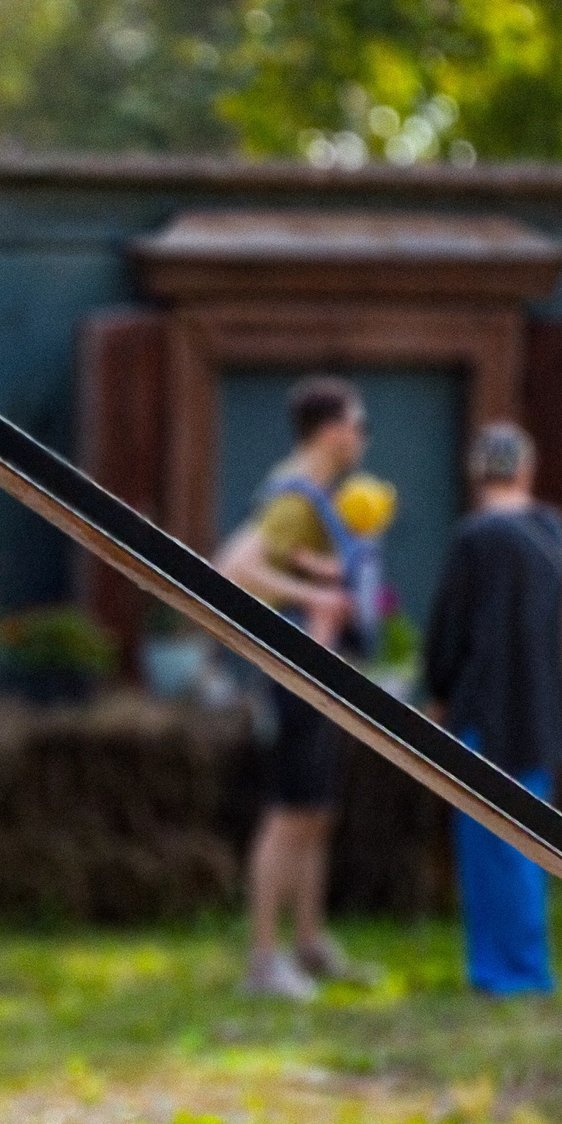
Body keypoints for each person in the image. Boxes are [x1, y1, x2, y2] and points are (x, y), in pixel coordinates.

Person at [214, 375, 378, 999]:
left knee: (315, 812)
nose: (363, 438)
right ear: (332, 431)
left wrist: (318, 576)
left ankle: (308, 945)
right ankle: (263, 961)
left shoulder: (317, 498)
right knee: (289, 814)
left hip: (318, 673)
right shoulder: (295, 495)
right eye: (359, 425)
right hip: (294, 674)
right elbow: (233, 568)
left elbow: (277, 563)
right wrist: (316, 597)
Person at [421, 422, 562, 997]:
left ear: (477, 473)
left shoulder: (474, 538)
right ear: (527, 470)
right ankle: (530, 964)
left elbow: (448, 631)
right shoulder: (553, 531)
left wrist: (436, 693)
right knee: (531, 841)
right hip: (541, 709)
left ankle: (498, 970)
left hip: (483, 709)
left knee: (486, 845)